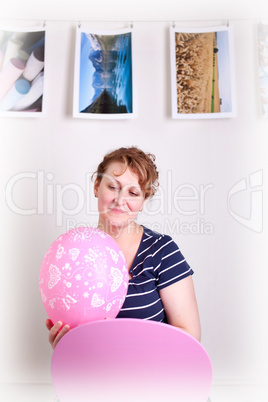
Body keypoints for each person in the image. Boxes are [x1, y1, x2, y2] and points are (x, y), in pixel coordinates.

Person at [46, 146, 201, 349]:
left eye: (133, 192)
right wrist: (66, 346)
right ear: (96, 186)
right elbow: (78, 339)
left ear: (143, 201)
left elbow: (189, 337)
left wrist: (121, 339)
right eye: (112, 187)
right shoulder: (72, 255)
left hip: (153, 377)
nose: (120, 200)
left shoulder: (162, 251)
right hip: (91, 377)